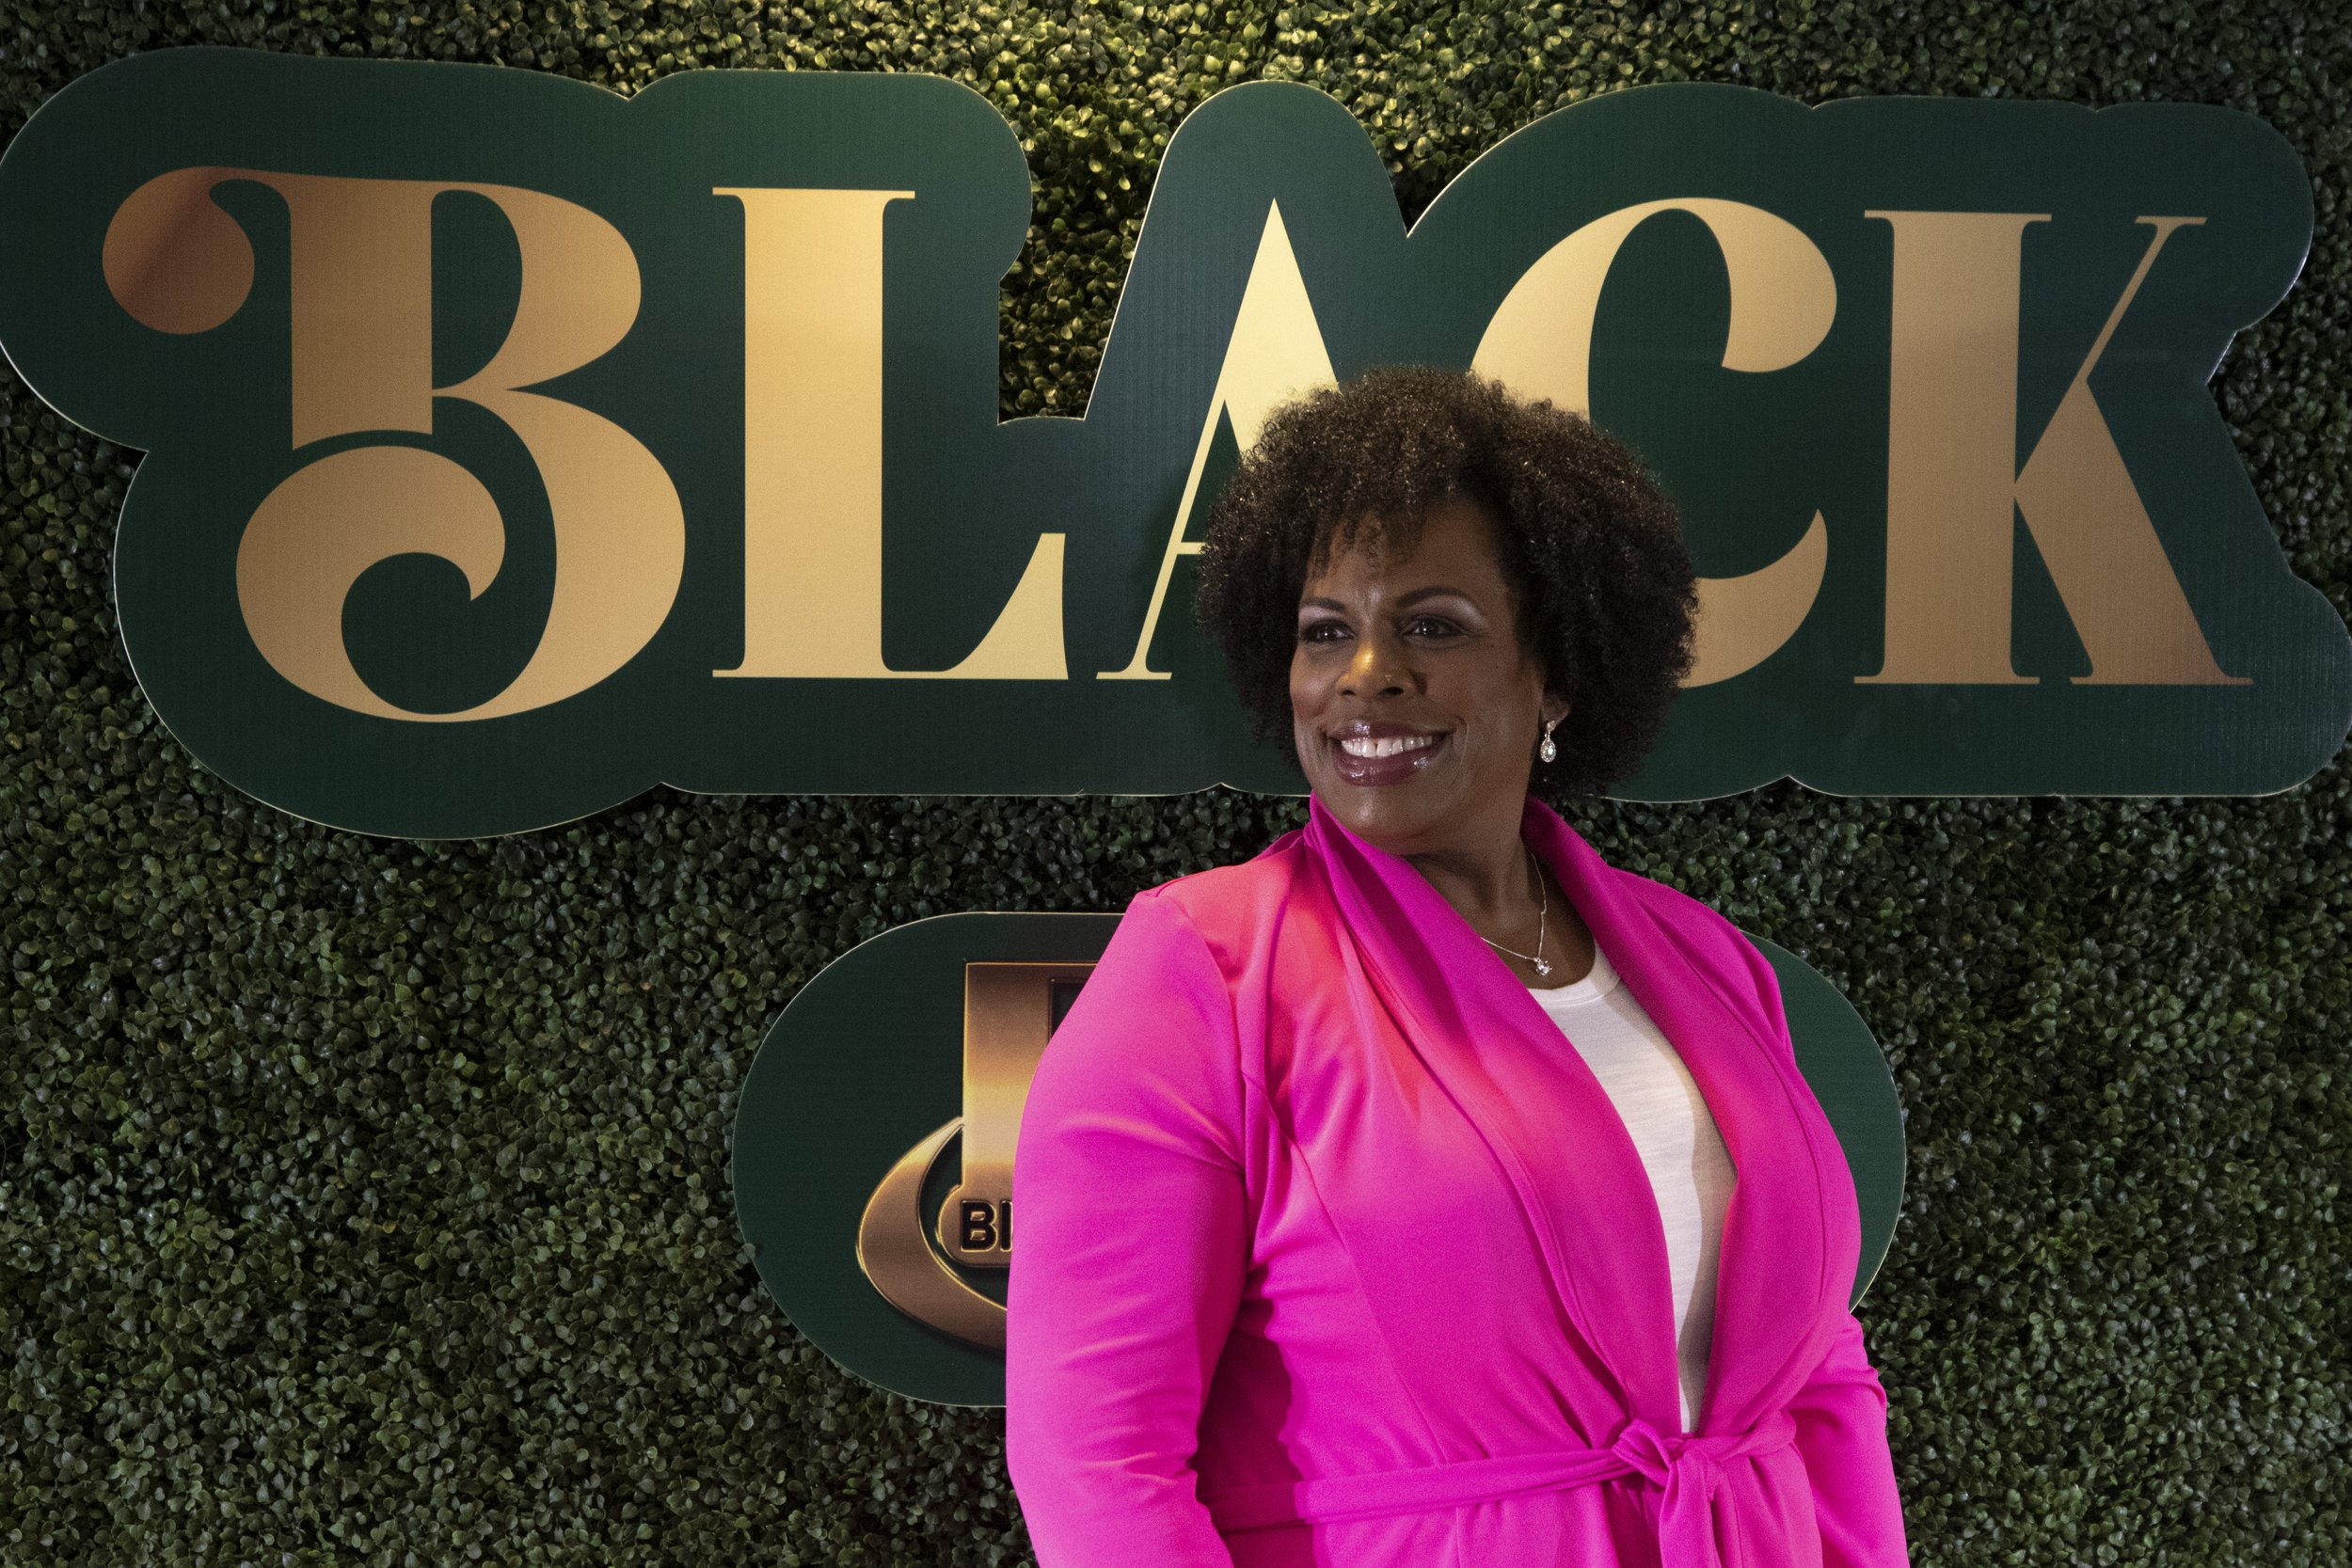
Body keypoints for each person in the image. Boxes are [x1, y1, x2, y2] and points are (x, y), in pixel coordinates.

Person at [1005, 366, 1909, 1568]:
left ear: (1560, 672)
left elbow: (1821, 1381)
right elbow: (1098, 1470)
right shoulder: (1203, 971)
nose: (1365, 673)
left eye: (1432, 625)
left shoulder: (1708, 963)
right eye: (1326, 630)